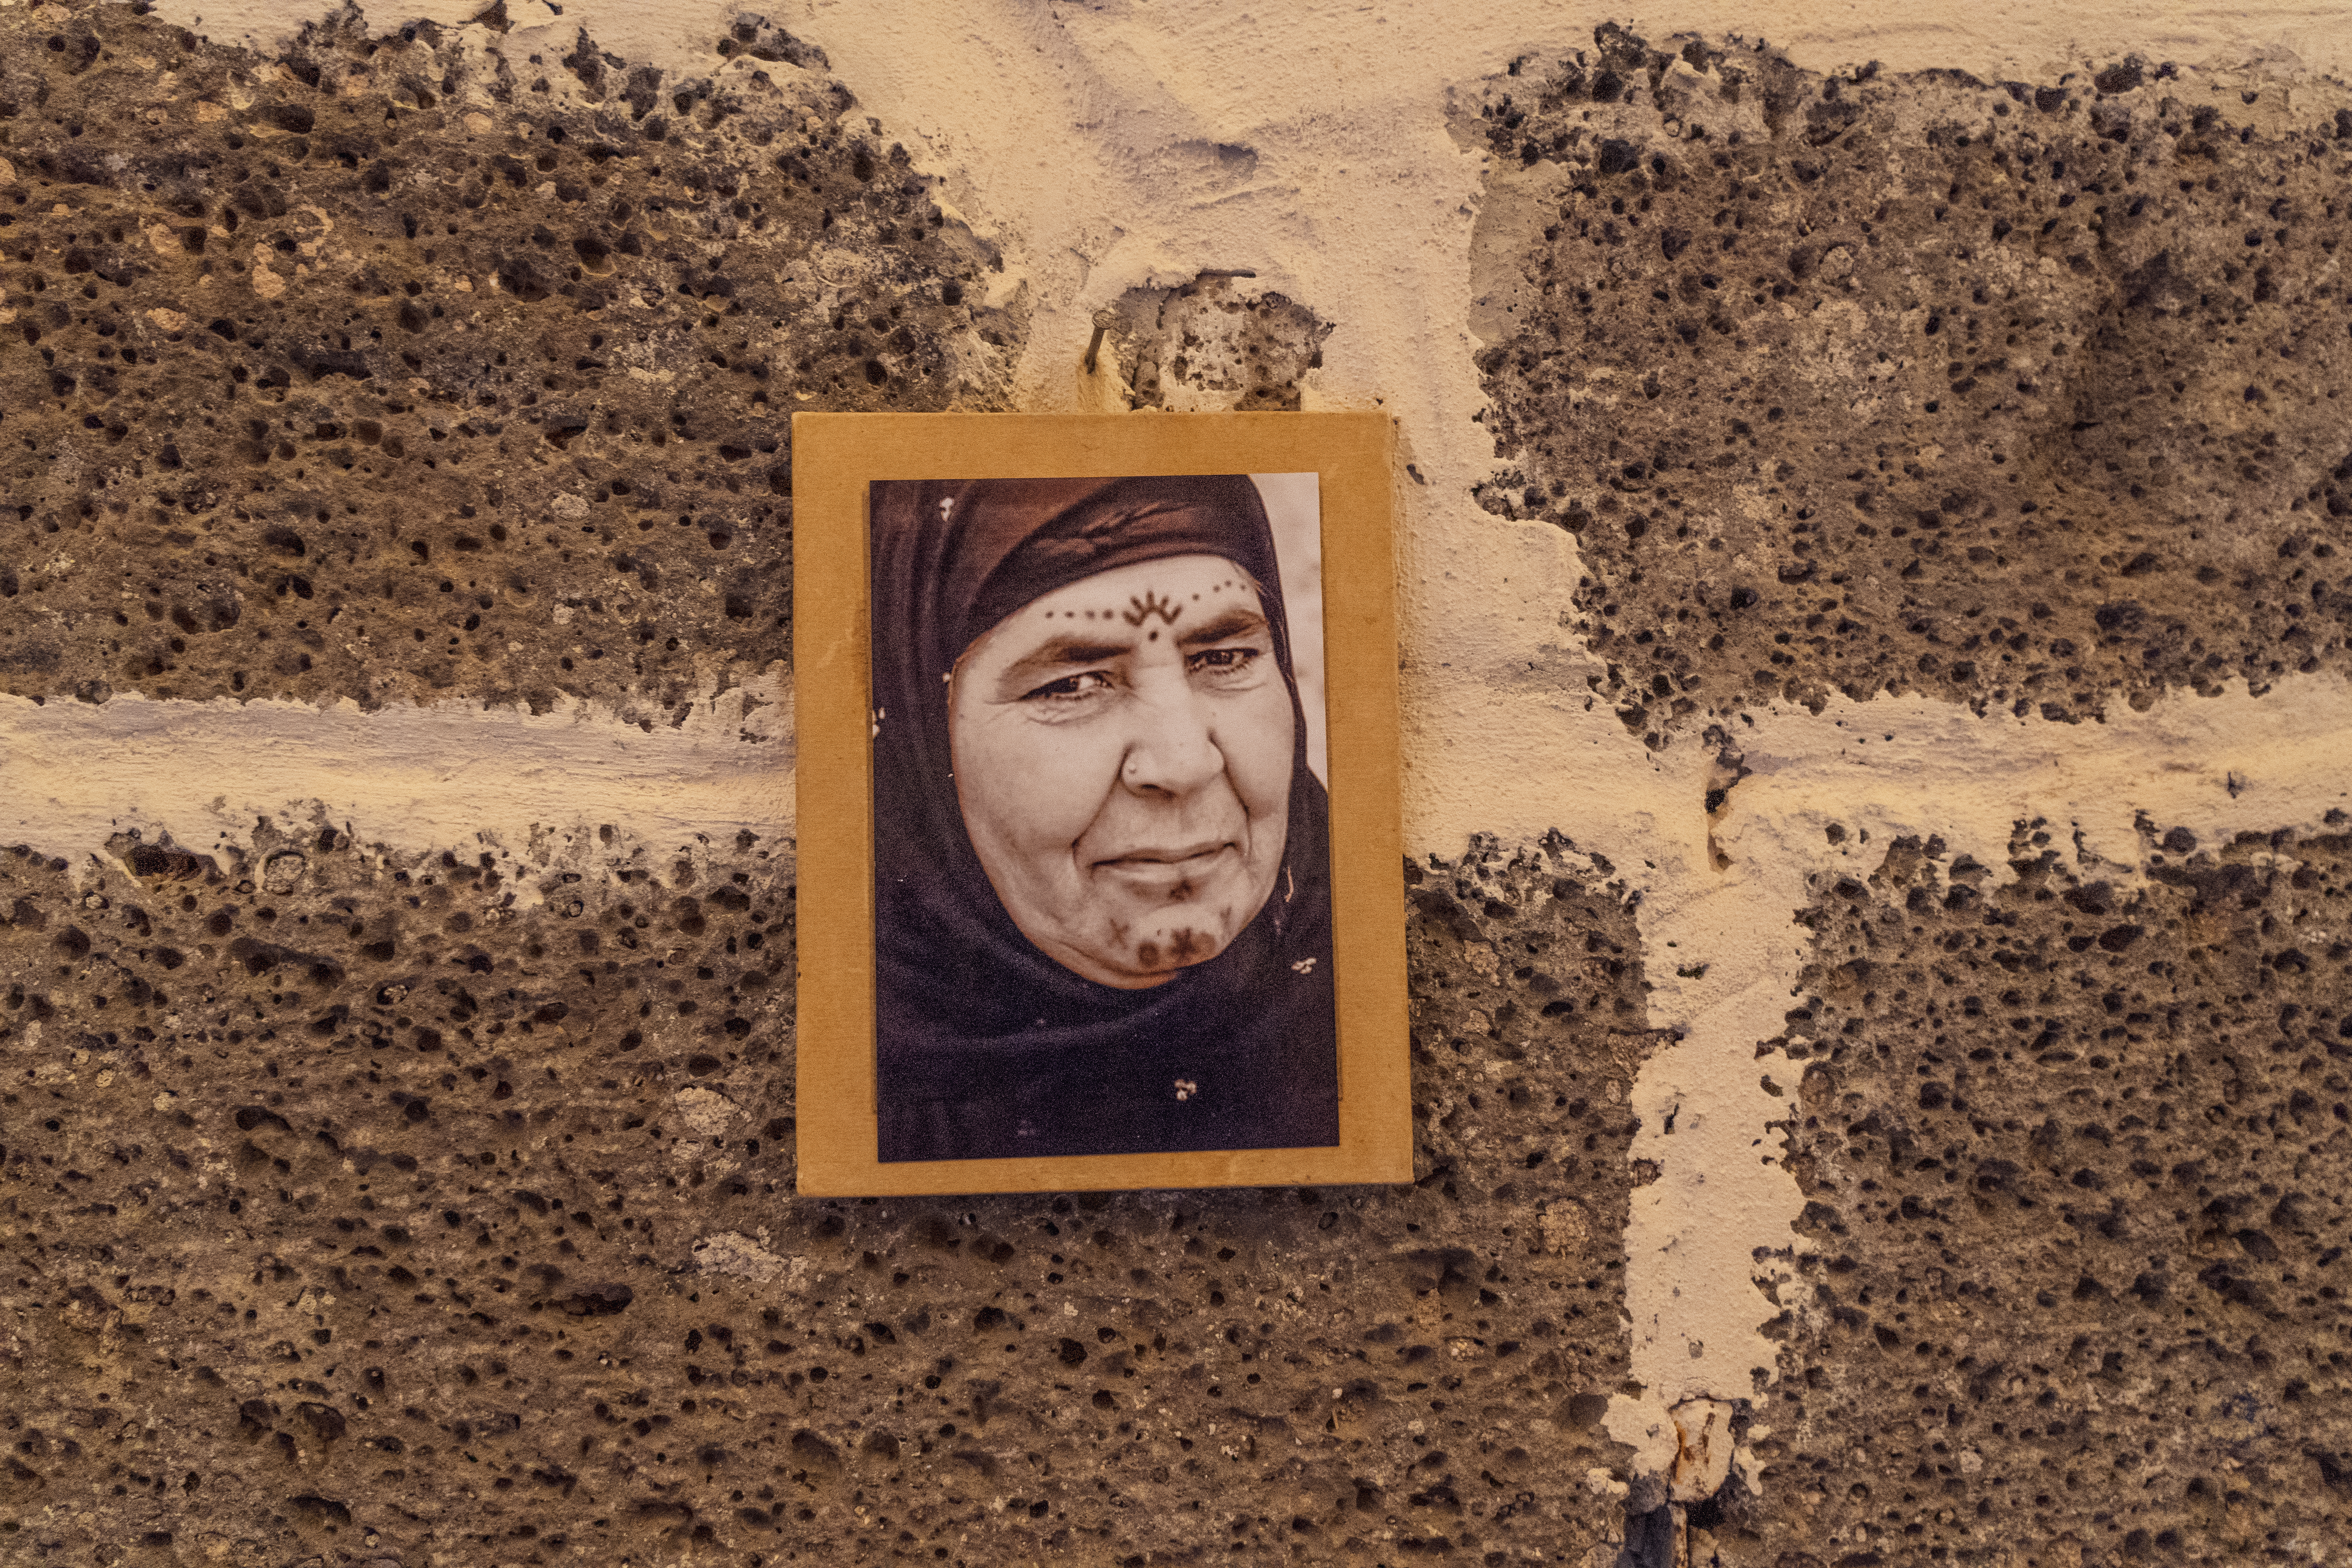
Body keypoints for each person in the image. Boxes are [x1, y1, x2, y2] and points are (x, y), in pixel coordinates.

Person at [867, 474, 1338, 1163]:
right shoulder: (846, 1099)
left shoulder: (1398, 1000)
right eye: (1071, 685)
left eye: (1225, 658)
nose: (1184, 763)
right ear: (918, 743)